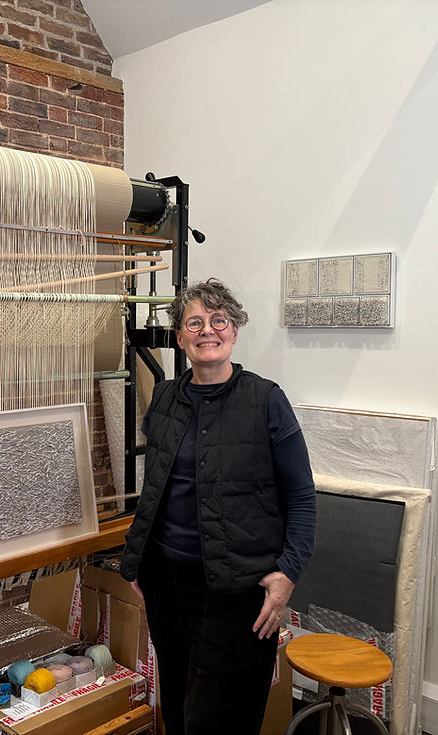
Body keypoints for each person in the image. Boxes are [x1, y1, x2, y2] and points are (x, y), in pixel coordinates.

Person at [119, 278, 317, 735]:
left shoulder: (266, 400)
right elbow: (157, 488)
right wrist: (136, 562)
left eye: (218, 320)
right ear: (180, 337)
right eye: (195, 322)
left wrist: (288, 573)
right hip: (168, 581)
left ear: (234, 330)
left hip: (237, 590)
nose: (207, 330)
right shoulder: (166, 397)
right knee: (177, 708)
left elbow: (302, 497)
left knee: (221, 718)